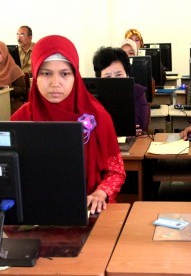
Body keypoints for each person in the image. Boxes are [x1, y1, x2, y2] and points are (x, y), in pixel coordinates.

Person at [11, 35, 125, 214]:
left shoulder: (98, 116)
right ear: (34, 75)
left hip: (89, 208)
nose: (55, 83)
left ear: (75, 76)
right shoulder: (22, 118)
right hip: (37, 212)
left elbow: (116, 171)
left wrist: (101, 193)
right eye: (46, 73)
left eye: (65, 73)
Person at [93, 47, 149, 136]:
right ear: (99, 78)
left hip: (132, 143)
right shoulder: (93, 95)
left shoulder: (138, 92)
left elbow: (139, 126)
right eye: (107, 76)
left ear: (127, 74)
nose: (113, 80)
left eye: (118, 75)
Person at [0, 41, 27, 114]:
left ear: (5, 53)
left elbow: (22, 90)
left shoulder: (14, 68)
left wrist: (7, 88)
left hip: (10, 102)